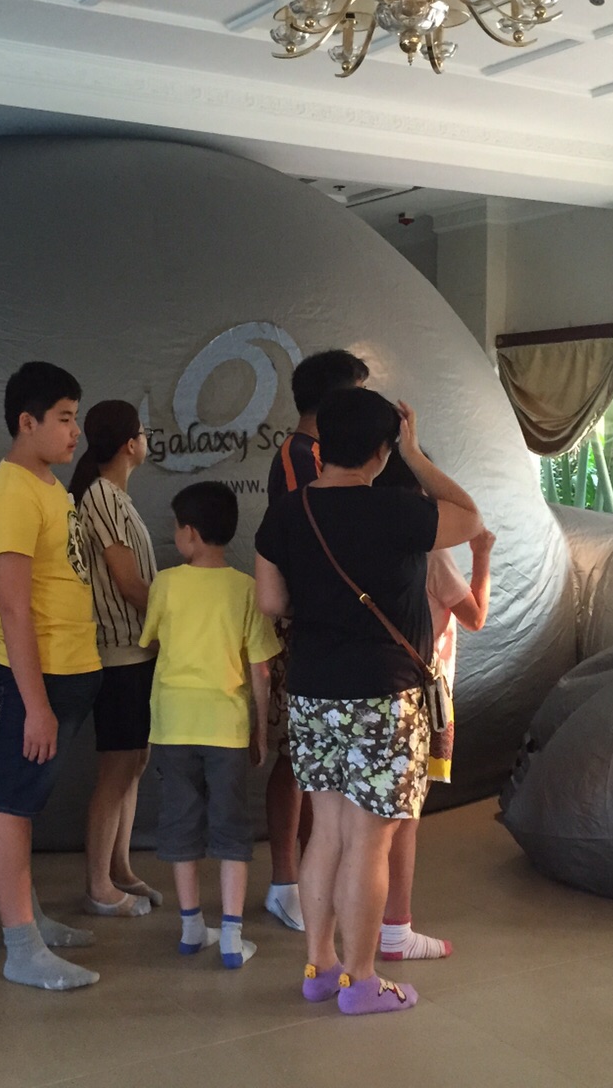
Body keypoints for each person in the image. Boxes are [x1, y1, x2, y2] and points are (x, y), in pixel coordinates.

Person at [255, 389, 483, 1015]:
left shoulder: (287, 513)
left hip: (311, 693)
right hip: (384, 695)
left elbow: (271, 602)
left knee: (326, 833)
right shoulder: (399, 510)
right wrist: (416, 453)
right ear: (383, 450)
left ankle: (320, 967)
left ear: (322, 445)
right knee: (369, 842)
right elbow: (469, 516)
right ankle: (360, 981)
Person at [0, 362, 103, 991]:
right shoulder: (11, 496)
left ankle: (32, 919)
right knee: (9, 803)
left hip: (68, 672)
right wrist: (36, 703)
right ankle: (20, 946)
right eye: (65, 418)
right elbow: (13, 607)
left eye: (76, 417)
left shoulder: (48, 485)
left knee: (24, 805)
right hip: (37, 679)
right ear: (28, 422)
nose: (75, 431)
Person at [143, 482, 281, 970]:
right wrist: (260, 731)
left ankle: (190, 928)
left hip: (172, 726)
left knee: (181, 824)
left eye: (177, 527)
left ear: (191, 533)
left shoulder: (164, 584)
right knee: (231, 828)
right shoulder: (246, 588)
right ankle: (231, 938)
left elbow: (150, 642)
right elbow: (261, 669)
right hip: (226, 728)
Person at [261, 349, 370, 932]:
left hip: (334, 627)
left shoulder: (324, 455)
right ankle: (286, 880)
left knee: (316, 759)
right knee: (295, 755)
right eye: (357, 395)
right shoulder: (297, 457)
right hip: (304, 627)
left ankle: (313, 873)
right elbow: (316, 534)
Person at [373, 450, 495, 960]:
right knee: (403, 817)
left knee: (353, 823)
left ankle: (346, 929)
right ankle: (395, 929)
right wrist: (481, 554)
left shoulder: (358, 539)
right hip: (419, 693)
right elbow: (475, 617)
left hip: (360, 687)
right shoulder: (432, 553)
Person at [70, 401, 161, 917]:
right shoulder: (102, 496)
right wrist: (174, 621)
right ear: (130, 443)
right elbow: (128, 583)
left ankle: (119, 869)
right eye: (143, 433)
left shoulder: (116, 496)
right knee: (117, 767)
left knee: (135, 761)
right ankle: (98, 886)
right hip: (119, 654)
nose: (146, 440)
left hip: (137, 651)